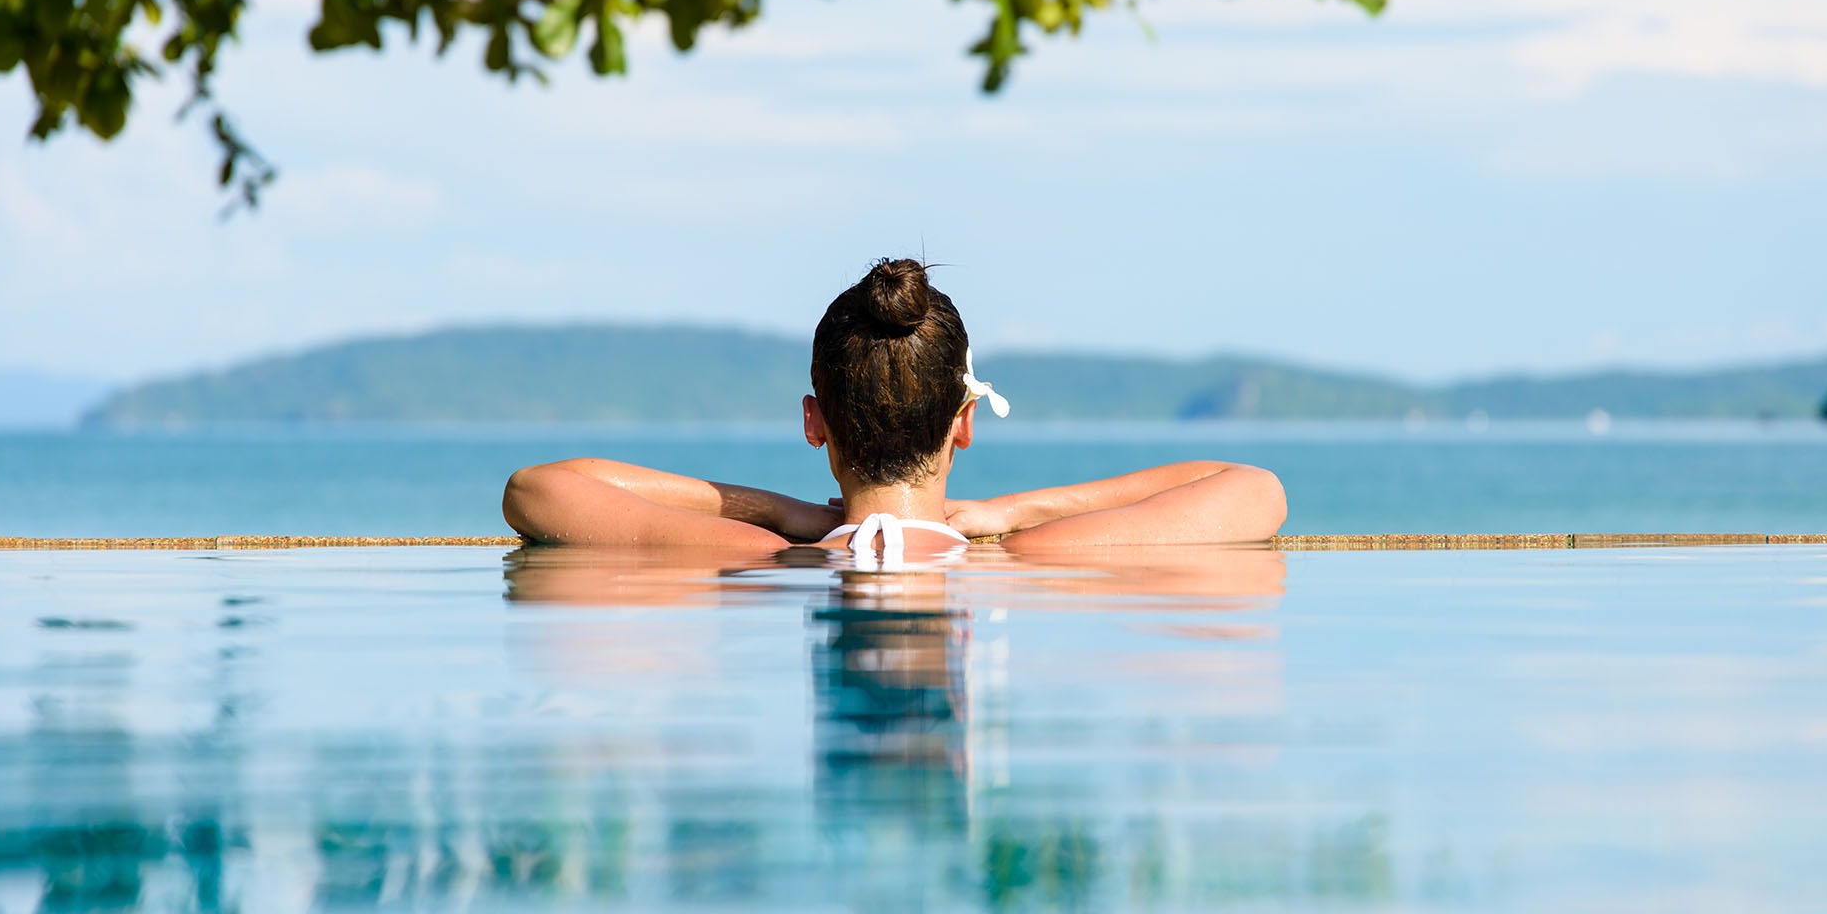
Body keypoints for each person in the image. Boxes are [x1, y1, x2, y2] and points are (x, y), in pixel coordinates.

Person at [501, 259, 1286, 557]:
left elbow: (539, 487)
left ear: (815, 423)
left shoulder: (760, 557)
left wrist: (780, 513)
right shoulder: (1037, 559)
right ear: (964, 425)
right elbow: (1251, 486)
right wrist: (1015, 514)